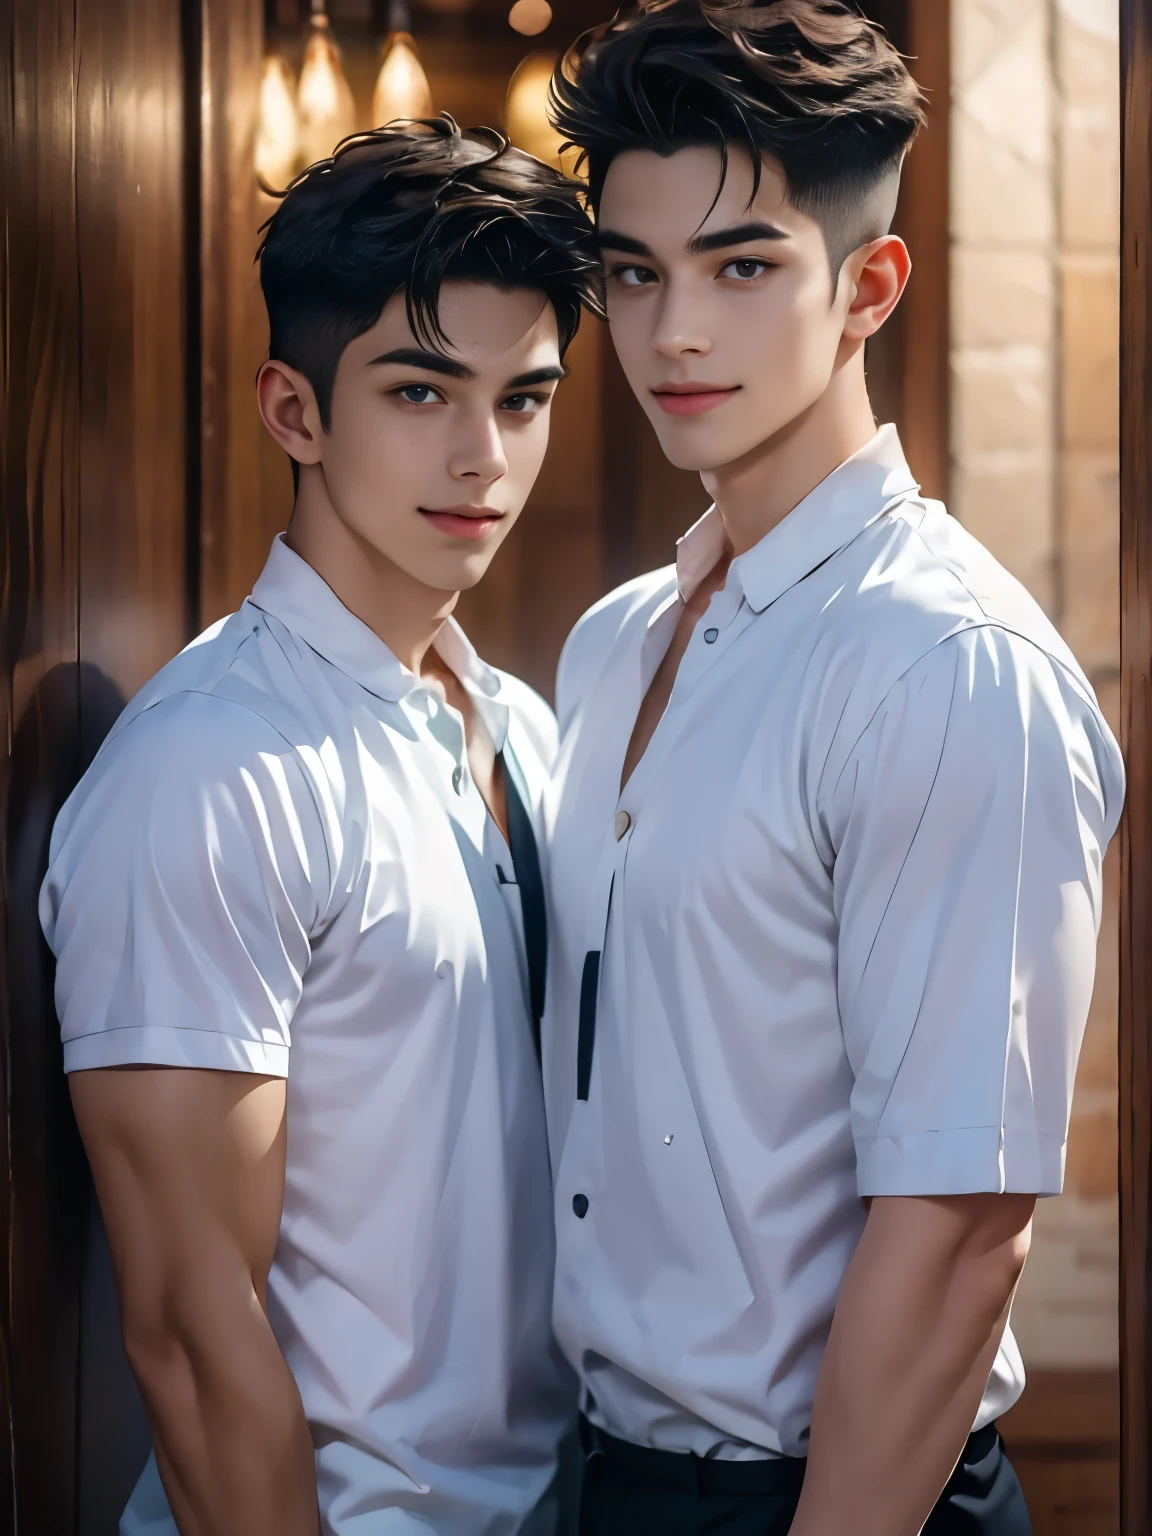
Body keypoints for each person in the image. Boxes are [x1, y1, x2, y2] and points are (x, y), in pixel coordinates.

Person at [542, 3, 1126, 1533]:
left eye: (743, 269)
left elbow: (958, 1233)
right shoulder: (609, 648)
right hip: (603, 1479)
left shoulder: (947, 669)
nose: (673, 332)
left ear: (868, 287)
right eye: (635, 273)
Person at [40, 117, 600, 1536]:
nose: (482, 456)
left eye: (523, 400)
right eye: (421, 392)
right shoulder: (210, 770)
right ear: (295, 413)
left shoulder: (530, 733)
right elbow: (188, 1327)